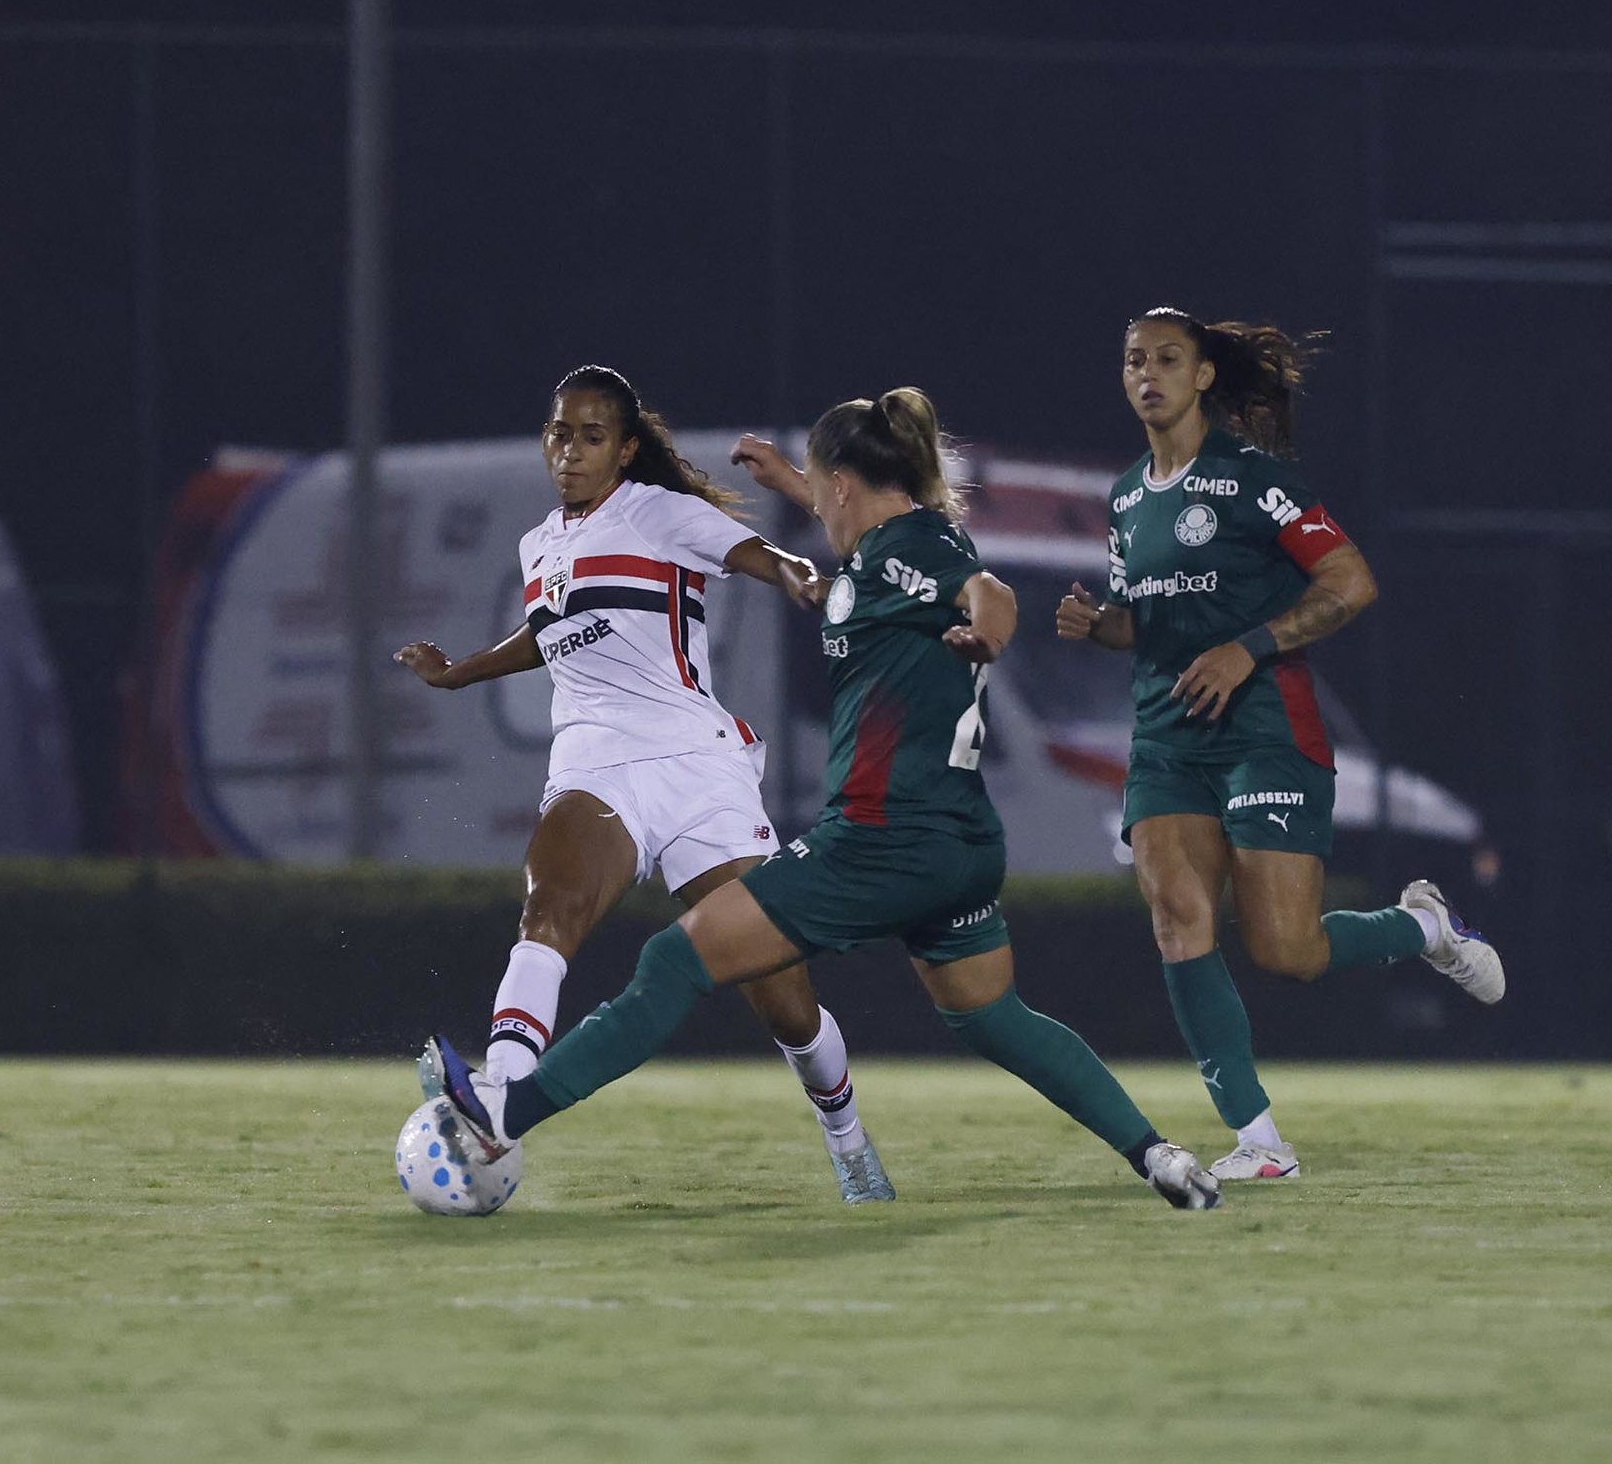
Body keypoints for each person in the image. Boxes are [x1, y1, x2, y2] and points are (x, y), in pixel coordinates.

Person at [420, 386, 1225, 1212]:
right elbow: (884, 538)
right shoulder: (894, 542)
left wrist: (988, 631)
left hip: (876, 842)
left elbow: (990, 591)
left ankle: (505, 1110)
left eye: (819, 485)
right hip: (960, 844)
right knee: (994, 1018)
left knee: (673, 960)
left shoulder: (907, 552)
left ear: (842, 483)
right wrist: (787, 479)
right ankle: (1158, 1155)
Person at [395, 364, 894, 1203]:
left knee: (784, 998)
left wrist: (796, 574)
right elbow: (547, 630)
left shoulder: (658, 512)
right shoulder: (538, 543)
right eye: (560, 433)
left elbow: (754, 551)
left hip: (696, 765)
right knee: (550, 904)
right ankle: (498, 1093)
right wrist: (461, 671)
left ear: (626, 449)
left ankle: (848, 1140)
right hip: (594, 761)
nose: (571, 450)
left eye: (592, 436)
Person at [1054, 307, 1504, 1181]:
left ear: (1203, 375)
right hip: (1166, 735)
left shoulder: (1255, 480)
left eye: (1168, 359)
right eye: (1135, 360)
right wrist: (1101, 623)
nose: (1148, 374)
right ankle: (1260, 1141)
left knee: (1286, 949)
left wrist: (1249, 646)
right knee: (1177, 914)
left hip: (1264, 728)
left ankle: (1424, 927)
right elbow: (1144, 622)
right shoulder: (1126, 496)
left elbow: (1352, 582)